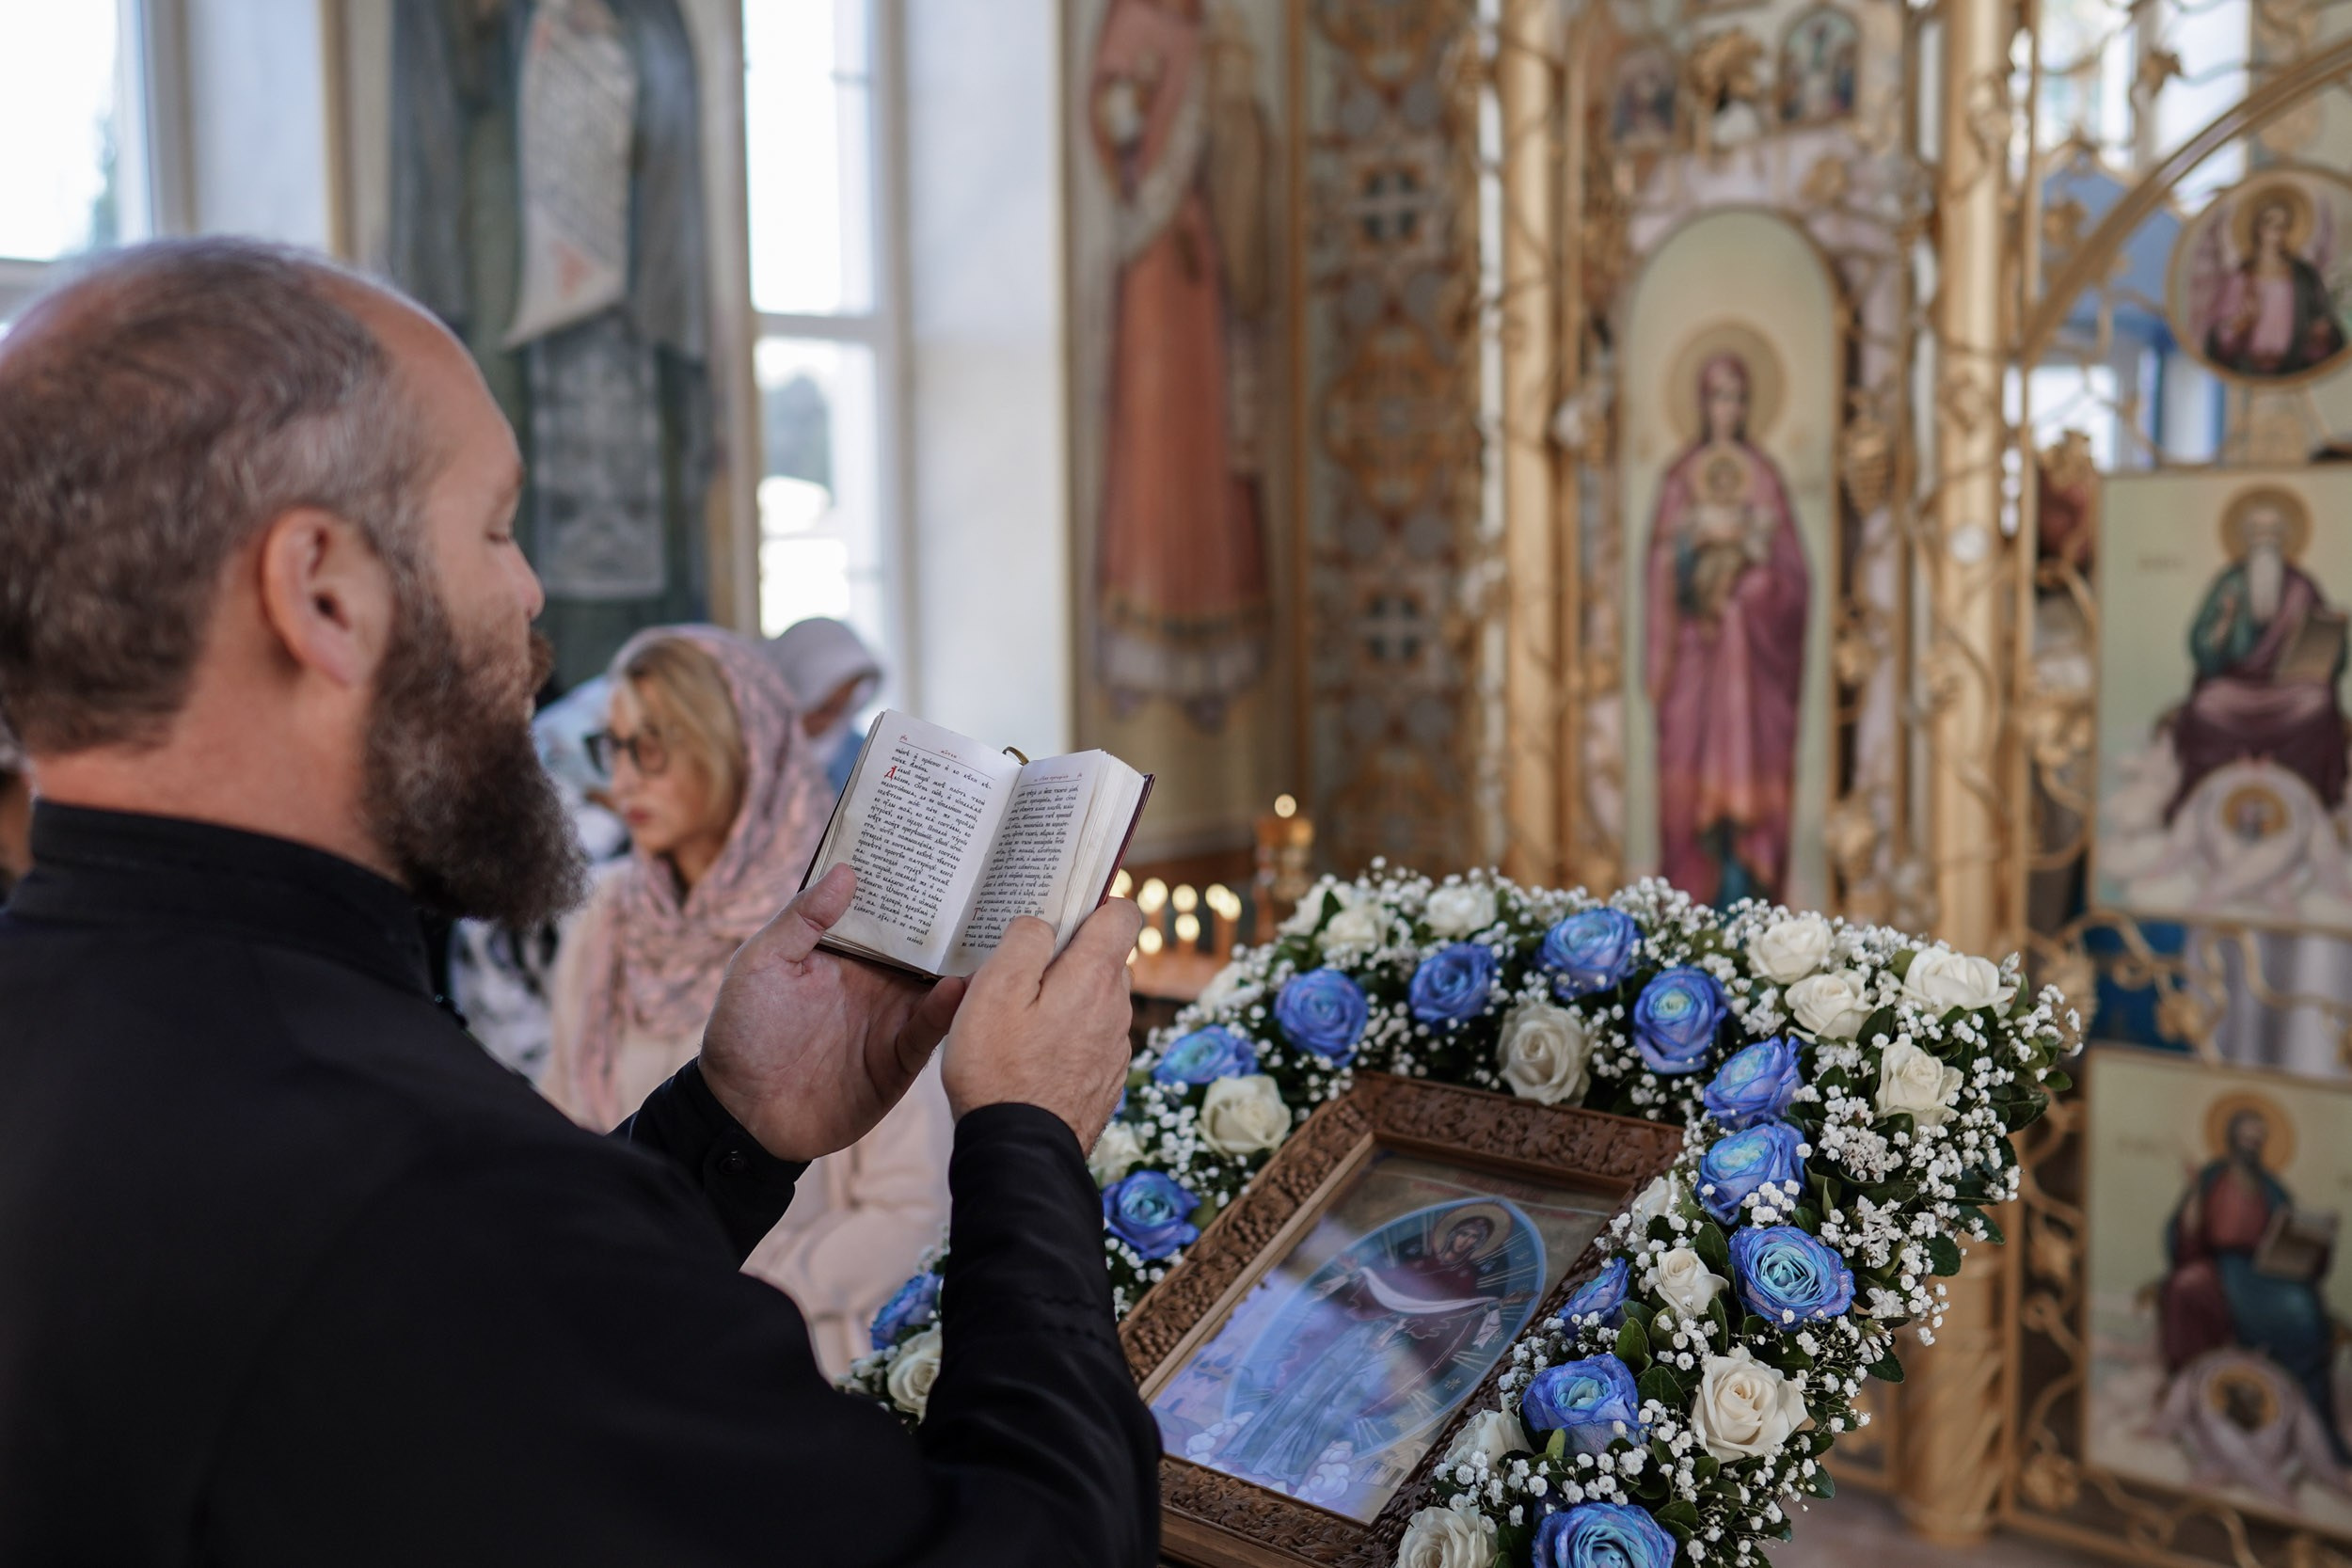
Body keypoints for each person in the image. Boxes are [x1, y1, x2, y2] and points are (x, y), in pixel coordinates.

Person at [0, 239, 1156, 1565]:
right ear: (322, 590)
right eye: (494, 525)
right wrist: (1024, 1137)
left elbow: (475, 1354)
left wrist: (731, 1125)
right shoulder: (431, 1185)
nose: (532, 589)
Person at [546, 623, 944, 1376]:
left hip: (799, 1355)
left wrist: (719, 1287)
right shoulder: (604, 918)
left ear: (738, 749)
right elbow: (567, 1137)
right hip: (623, 1341)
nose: (623, 780)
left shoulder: (840, 915)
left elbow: (909, 1209)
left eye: (652, 748)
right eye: (614, 747)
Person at [1645, 351, 1810, 907]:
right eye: (1717, 395)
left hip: (1752, 669)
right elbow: (1661, 569)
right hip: (1697, 657)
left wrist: (1751, 587)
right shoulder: (1679, 481)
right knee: (1688, 800)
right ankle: (1689, 913)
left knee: (1750, 808)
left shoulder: (1763, 480)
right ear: (1701, 403)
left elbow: (1793, 578)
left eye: (1736, 396)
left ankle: (1747, 907)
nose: (1727, 408)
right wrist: (1693, 548)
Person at [2157, 1106, 2344, 1459]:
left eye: (2259, 1139)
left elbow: (2289, 1232)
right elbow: (2184, 1240)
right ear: (2231, 1139)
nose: (2252, 1145)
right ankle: (2190, 1396)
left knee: (2306, 1310)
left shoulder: (2271, 1187)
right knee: (2186, 1285)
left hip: (2266, 1273)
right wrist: (2194, 1197)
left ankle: (2314, 1418)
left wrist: (2313, 1244)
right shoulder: (2212, 1177)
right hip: (2221, 1266)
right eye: (2247, 1137)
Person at [2169, 488, 2347, 817]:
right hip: (2235, 690)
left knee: (2317, 701)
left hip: (2289, 692)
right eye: (2256, 534)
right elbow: (2202, 653)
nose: (2265, 541)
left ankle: (2313, 802)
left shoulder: (2301, 586)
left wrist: (2323, 644)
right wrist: (2222, 625)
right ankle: (2204, 803)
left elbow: (2334, 657)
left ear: (2285, 540)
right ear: (2244, 539)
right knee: (2206, 704)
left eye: (2273, 534)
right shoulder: (2228, 584)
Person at [2206, 191, 2348, 379]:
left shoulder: (2304, 276)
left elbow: (2324, 324)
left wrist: (2321, 333)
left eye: (2283, 226)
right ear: (2258, 227)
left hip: (2295, 367)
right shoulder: (2240, 278)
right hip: (2248, 369)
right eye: (2270, 223)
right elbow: (2219, 337)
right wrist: (2240, 324)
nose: (2276, 232)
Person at [767, 615, 884, 797]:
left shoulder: (860, 753)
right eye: (822, 709)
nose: (827, 723)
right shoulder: (758, 752)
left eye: (840, 710)